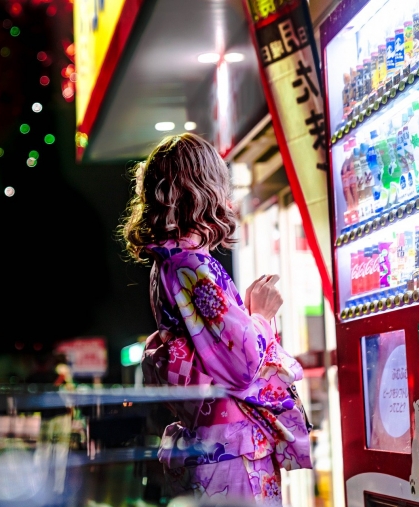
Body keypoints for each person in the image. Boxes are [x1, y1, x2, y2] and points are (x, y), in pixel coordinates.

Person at [120, 133, 311, 505]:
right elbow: (243, 364)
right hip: (232, 450)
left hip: (206, 444)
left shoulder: (168, 262)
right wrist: (261, 313)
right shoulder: (193, 265)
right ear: (204, 186)